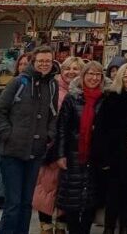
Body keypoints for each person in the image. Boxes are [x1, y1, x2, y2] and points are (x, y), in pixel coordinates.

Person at [0, 45, 59, 234]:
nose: (44, 64)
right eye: (41, 61)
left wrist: (49, 135)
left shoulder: (52, 85)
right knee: (13, 203)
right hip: (12, 153)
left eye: (48, 61)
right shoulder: (19, 83)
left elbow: (54, 116)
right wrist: (9, 134)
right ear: (33, 62)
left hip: (35, 153)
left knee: (27, 203)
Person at [54, 61, 107, 234]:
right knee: (72, 200)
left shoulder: (105, 98)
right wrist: (60, 154)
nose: (93, 78)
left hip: (95, 155)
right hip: (73, 154)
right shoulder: (72, 97)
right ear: (83, 76)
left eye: (97, 74)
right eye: (90, 74)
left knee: (91, 199)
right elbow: (62, 128)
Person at [33, 56, 82, 234]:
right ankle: (45, 225)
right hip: (51, 147)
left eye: (75, 69)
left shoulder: (81, 92)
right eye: (68, 68)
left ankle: (61, 225)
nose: (71, 72)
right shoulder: (53, 88)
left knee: (66, 187)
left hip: (72, 149)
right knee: (46, 185)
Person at [97, 63, 127, 234]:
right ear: (120, 77)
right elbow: (102, 129)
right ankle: (109, 228)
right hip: (114, 153)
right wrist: (104, 157)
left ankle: (125, 227)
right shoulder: (111, 97)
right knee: (113, 194)